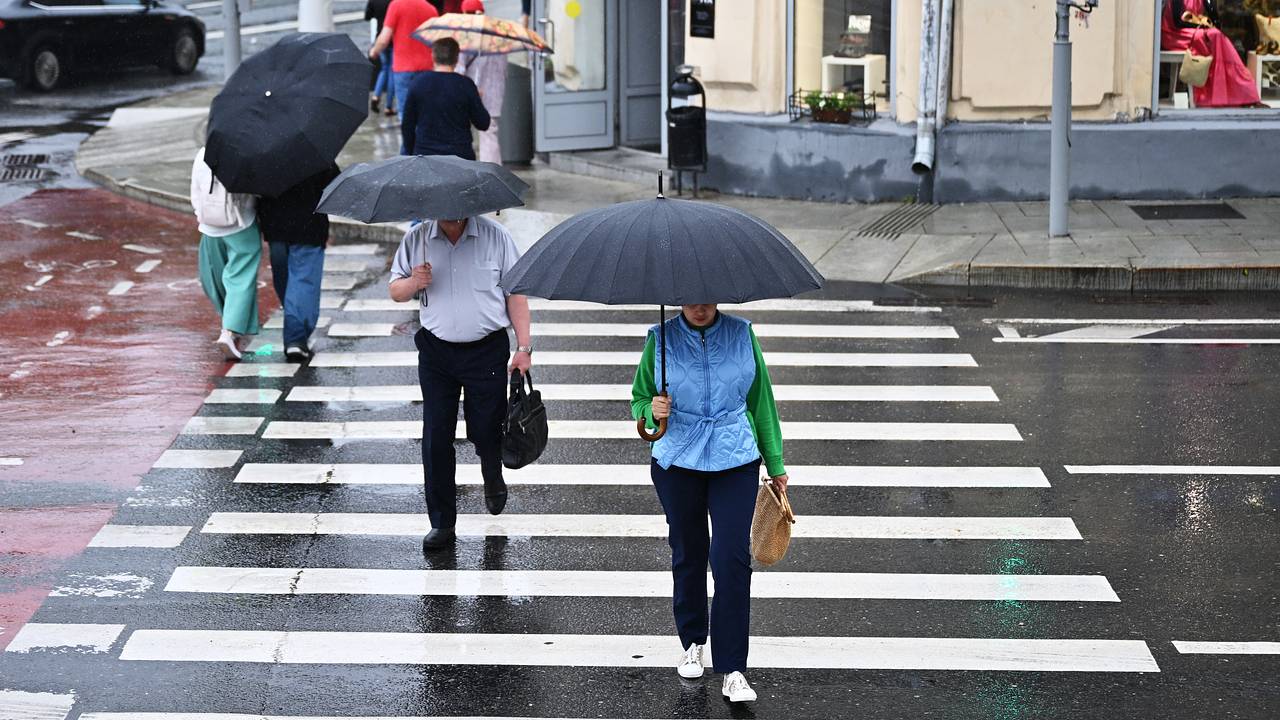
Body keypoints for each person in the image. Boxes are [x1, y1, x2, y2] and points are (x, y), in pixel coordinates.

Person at [630, 304, 788, 705]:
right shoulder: (659, 338)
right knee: (689, 550)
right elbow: (638, 399)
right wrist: (651, 409)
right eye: (690, 298)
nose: (699, 307)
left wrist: (776, 463)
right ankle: (693, 640)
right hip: (677, 460)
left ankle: (733, 668)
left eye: (707, 298)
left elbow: (761, 402)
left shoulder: (742, 334)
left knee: (730, 557)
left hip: (734, 457)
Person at [387, 212, 532, 551]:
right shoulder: (418, 238)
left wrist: (524, 348)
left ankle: (491, 471)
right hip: (437, 353)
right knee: (436, 437)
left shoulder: (496, 237)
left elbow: (516, 294)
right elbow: (395, 290)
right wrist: (413, 283)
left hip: (487, 350)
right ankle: (442, 522)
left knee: (485, 429)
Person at [257, 163, 341, 364]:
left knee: (284, 281)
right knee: (303, 282)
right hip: (308, 226)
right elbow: (335, 185)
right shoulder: (315, 153)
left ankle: (295, 329)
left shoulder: (263, 153)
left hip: (275, 227)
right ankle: (296, 337)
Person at [189, 146, 261, 362]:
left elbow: (195, 190)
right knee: (240, 278)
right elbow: (258, 191)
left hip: (210, 225)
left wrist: (200, 214)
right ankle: (230, 331)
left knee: (215, 278)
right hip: (241, 224)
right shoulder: (248, 154)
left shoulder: (203, 154)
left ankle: (235, 326)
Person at [400, 37, 490, 159]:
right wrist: (478, 99)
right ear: (457, 58)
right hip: (460, 156)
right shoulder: (466, 85)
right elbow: (483, 123)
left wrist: (412, 151)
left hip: (426, 155)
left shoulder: (418, 83)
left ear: (433, 56)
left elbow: (407, 125)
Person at [1162, 0, 1262, 107]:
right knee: (1211, 37)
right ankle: (1240, 91)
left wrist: (1207, 23)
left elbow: (1214, 16)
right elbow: (1177, 22)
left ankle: (1241, 91)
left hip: (1192, 30)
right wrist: (1202, 27)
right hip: (1175, 34)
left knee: (1215, 37)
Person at [367, 0, 439, 123]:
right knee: (425, 113)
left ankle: (410, 141)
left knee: (407, 116)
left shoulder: (396, 5)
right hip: (427, 67)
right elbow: (436, 40)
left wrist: (374, 51)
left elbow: (384, 39)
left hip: (403, 68)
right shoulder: (431, 9)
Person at [459, 0, 507, 164]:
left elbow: (459, 70)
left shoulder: (466, 37)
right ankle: (493, 174)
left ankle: (466, 170)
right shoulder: (497, 36)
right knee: (489, 133)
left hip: (471, 93)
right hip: (494, 93)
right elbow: (503, 68)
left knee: (463, 132)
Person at [365, 0, 398, 116]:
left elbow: (367, 16)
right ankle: (388, 106)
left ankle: (376, 95)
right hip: (394, 39)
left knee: (384, 69)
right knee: (392, 71)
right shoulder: (394, 2)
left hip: (380, 37)